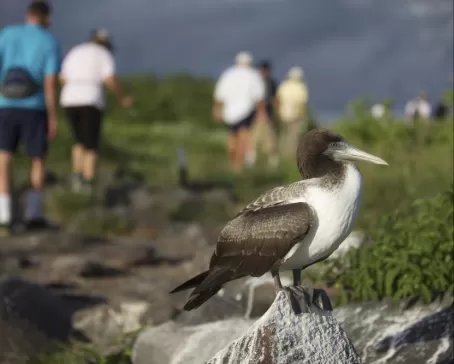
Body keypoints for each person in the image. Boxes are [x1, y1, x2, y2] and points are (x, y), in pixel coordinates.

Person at [0, 1, 60, 235]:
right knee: (37, 159)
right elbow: (50, 82)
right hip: (34, 107)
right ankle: (33, 215)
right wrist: (53, 116)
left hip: (5, 105)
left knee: (3, 158)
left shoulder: (6, 34)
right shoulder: (49, 41)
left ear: (28, 15)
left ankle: (4, 216)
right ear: (46, 17)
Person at [59, 29, 133, 193]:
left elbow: (62, 77)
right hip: (90, 99)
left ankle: (77, 177)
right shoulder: (103, 55)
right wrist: (122, 96)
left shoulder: (75, 51)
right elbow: (109, 78)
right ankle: (88, 182)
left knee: (79, 141)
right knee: (91, 144)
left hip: (69, 99)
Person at [213, 52, 267, 173]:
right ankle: (239, 166)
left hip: (230, 113)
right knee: (244, 137)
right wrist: (261, 113)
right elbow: (259, 97)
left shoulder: (228, 74)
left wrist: (217, 110)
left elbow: (219, 95)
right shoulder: (253, 75)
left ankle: (233, 164)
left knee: (232, 137)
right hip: (245, 111)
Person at [248, 60, 279, 168]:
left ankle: (272, 163)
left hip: (266, 116)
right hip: (255, 116)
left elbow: (275, 100)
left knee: (268, 140)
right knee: (254, 140)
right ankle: (251, 163)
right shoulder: (257, 81)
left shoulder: (270, 82)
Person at [275, 66, 309, 160]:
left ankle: (282, 156)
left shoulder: (284, 86)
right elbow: (303, 104)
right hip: (296, 116)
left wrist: (277, 114)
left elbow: (278, 100)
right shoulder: (301, 87)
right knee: (293, 137)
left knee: (284, 136)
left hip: (283, 115)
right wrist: (304, 116)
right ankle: (290, 157)